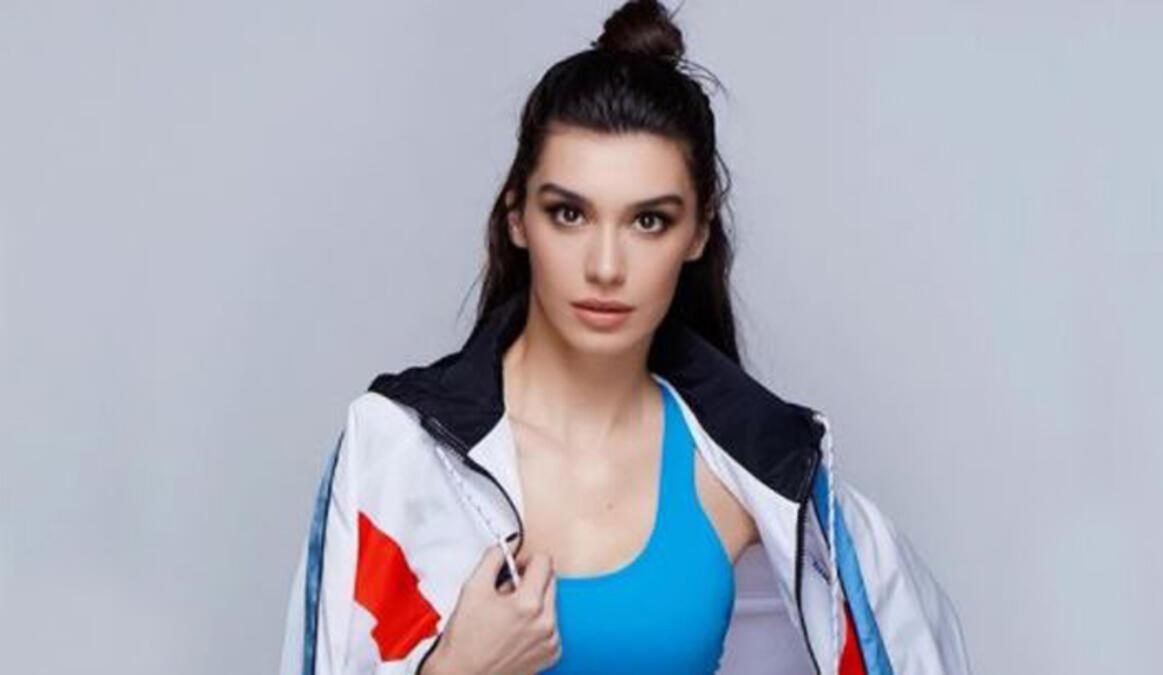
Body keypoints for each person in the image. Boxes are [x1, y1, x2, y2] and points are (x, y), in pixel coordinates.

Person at [278, 1, 972, 673]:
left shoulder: (754, 475)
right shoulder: (400, 456)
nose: (606, 267)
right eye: (569, 214)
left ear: (697, 233)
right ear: (518, 217)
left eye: (648, 221)